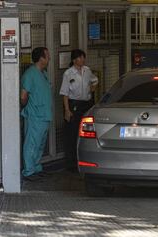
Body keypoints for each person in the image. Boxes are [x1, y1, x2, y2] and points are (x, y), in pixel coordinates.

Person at [59, 49, 98, 171]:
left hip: (86, 104)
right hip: (73, 105)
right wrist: (67, 110)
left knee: (85, 132)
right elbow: (64, 93)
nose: (82, 60)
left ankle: (84, 159)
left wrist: (92, 88)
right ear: (74, 60)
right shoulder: (68, 73)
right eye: (80, 58)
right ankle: (71, 163)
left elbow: (95, 80)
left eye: (83, 57)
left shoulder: (87, 70)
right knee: (72, 133)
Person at [20, 47, 52, 179]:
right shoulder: (29, 74)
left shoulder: (43, 73)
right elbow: (23, 96)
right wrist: (28, 108)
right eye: (47, 56)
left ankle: (36, 167)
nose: (49, 58)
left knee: (40, 144)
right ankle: (28, 171)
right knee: (32, 144)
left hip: (44, 115)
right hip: (35, 116)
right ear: (41, 58)